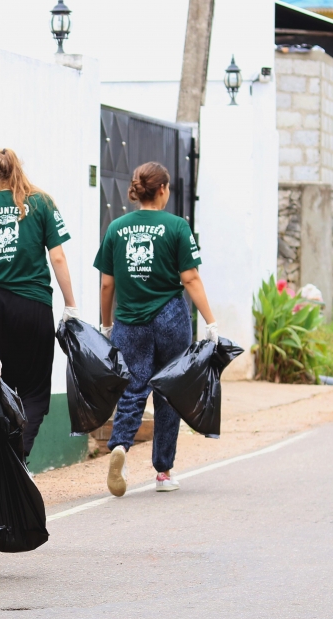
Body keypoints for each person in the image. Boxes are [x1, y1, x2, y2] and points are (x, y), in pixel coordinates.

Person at [95, 161, 217, 497]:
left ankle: (120, 446)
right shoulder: (177, 227)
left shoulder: (116, 228)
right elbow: (190, 277)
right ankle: (163, 471)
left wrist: (107, 324)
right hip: (170, 319)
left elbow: (107, 284)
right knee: (168, 388)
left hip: (130, 319)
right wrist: (210, 320)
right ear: (162, 189)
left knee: (133, 388)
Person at [0, 148, 79, 456]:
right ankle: (20, 456)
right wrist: (71, 306)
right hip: (34, 306)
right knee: (36, 391)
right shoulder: (42, 203)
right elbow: (57, 256)